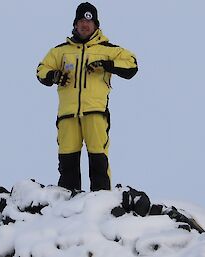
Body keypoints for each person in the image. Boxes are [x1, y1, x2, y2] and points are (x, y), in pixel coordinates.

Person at [36, 2, 138, 191]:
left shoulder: (108, 50)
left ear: (96, 26)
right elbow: (42, 69)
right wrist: (54, 76)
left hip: (95, 113)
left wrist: (106, 64)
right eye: (82, 20)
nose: (85, 25)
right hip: (68, 116)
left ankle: (100, 204)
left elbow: (131, 65)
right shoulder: (60, 51)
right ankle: (67, 202)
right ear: (75, 24)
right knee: (67, 162)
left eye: (89, 22)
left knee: (98, 160)